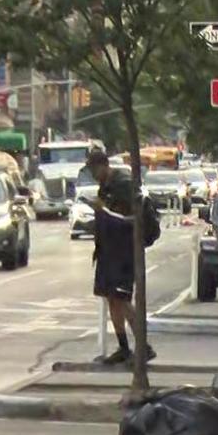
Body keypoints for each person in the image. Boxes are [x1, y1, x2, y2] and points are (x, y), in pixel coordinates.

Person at [86, 150, 155, 368]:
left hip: (124, 251)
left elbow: (130, 220)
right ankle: (123, 347)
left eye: (94, 169)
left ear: (104, 165)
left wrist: (103, 210)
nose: (93, 174)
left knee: (123, 299)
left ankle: (144, 347)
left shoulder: (123, 184)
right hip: (108, 250)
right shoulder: (105, 186)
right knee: (111, 298)